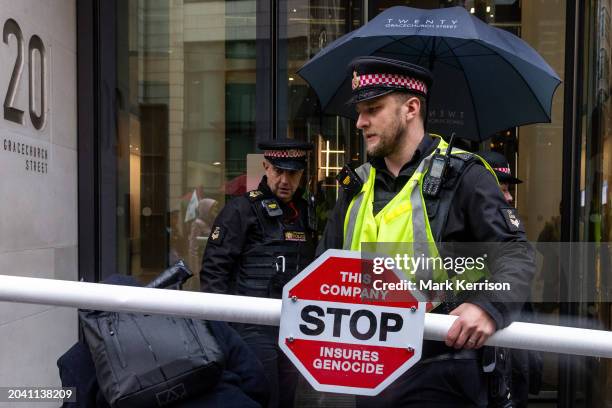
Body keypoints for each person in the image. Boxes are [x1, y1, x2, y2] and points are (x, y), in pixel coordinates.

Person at [318, 56, 535, 407]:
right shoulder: (354, 186)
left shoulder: (465, 177)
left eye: (373, 108)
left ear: (411, 108)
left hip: (439, 368)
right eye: (359, 111)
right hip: (366, 367)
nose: (360, 122)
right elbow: (324, 270)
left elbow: (516, 254)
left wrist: (487, 307)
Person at [200, 141, 316, 408]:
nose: (285, 180)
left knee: (287, 398)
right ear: (266, 167)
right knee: (264, 396)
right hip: (252, 326)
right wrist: (222, 330)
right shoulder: (241, 210)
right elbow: (214, 271)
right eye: (279, 171)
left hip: (293, 325)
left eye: (293, 173)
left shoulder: (304, 213)